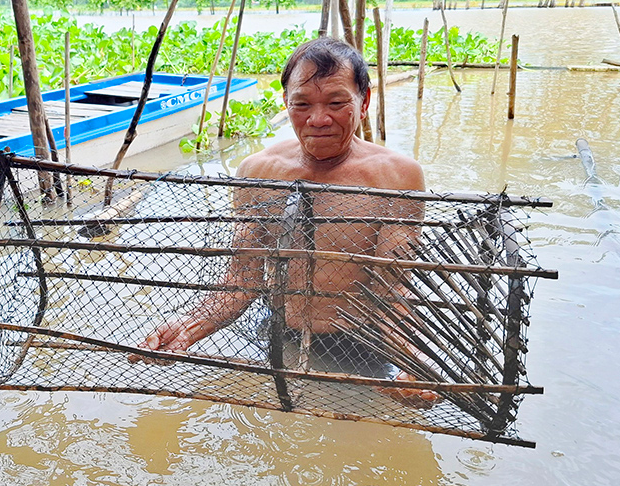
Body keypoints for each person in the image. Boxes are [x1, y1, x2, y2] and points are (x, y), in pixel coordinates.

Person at [135, 36, 436, 407]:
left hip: (366, 345)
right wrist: (186, 327)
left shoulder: (397, 177)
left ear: (364, 102)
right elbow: (241, 280)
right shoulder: (258, 171)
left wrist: (411, 358)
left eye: (337, 103)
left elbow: (392, 289)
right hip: (279, 332)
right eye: (302, 104)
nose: (319, 119)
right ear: (286, 104)